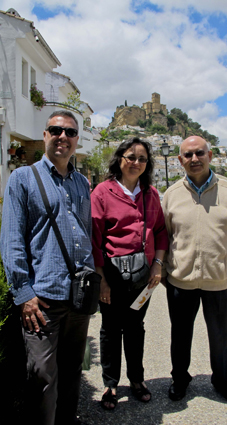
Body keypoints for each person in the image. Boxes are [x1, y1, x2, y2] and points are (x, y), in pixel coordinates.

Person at [0, 110, 93, 425]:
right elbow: (12, 240)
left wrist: (91, 277)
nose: (62, 137)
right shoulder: (23, 178)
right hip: (42, 299)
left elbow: (85, 235)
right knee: (41, 375)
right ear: (45, 135)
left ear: (76, 140)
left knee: (71, 370)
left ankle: (67, 419)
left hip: (78, 298)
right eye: (56, 130)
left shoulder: (82, 183)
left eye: (69, 132)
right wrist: (23, 293)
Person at [91, 137, 168, 409]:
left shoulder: (151, 194)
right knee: (110, 329)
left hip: (141, 278)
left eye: (142, 158)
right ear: (120, 158)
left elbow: (160, 231)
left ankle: (137, 380)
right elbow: (95, 239)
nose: (136, 162)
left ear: (147, 164)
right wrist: (101, 282)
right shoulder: (102, 192)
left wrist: (157, 264)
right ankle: (110, 384)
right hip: (111, 276)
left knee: (135, 328)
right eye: (131, 156)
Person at [162, 135, 227, 404]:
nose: (194, 159)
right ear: (180, 160)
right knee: (180, 335)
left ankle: (222, 381)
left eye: (200, 153)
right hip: (181, 281)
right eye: (188, 155)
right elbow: (166, 238)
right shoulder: (170, 195)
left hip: (219, 280)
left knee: (220, 336)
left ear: (210, 155)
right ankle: (180, 379)